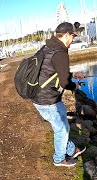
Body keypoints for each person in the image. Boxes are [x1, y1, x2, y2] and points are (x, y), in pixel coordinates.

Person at [32, 22, 86, 167]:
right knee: (61, 128)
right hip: (48, 100)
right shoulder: (60, 53)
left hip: (40, 97)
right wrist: (74, 85)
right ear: (67, 34)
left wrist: (73, 74)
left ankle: (70, 149)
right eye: (73, 36)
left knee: (61, 127)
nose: (73, 39)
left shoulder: (48, 47)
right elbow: (64, 83)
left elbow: (50, 71)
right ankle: (59, 159)